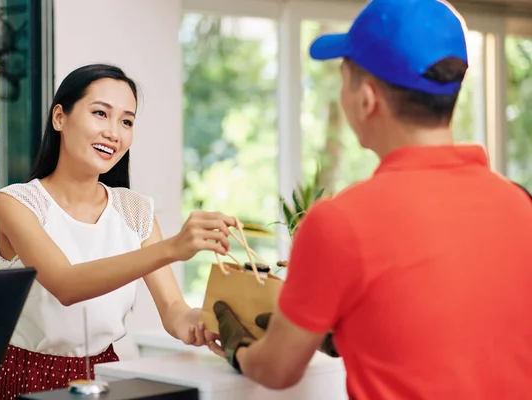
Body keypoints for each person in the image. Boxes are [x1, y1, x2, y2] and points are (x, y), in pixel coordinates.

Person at [213, 0, 532, 399]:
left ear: (367, 99)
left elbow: (278, 369)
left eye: (343, 80)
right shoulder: (520, 205)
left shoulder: (340, 222)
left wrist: (241, 351)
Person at [0, 63, 231, 399]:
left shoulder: (134, 210)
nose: (114, 132)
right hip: (27, 377)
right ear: (59, 118)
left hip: (106, 376)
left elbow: (174, 311)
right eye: (101, 113)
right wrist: (172, 248)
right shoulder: (16, 203)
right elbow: (65, 285)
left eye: (126, 121)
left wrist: (213, 324)